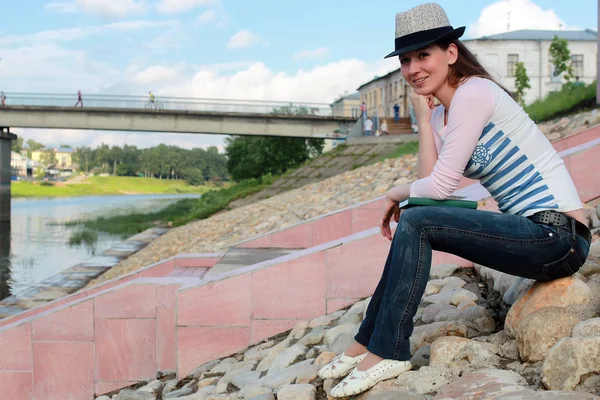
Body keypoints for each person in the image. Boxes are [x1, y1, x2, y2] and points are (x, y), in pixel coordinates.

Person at [318, 3, 591, 398]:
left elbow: (439, 187)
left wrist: (395, 195)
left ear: (450, 53)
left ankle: (388, 349)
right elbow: (431, 183)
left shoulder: (475, 93)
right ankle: (365, 343)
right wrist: (424, 120)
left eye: (423, 55)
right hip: (535, 236)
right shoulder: (446, 113)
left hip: (559, 236)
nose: (413, 69)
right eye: (406, 60)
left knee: (415, 219)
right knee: (418, 215)